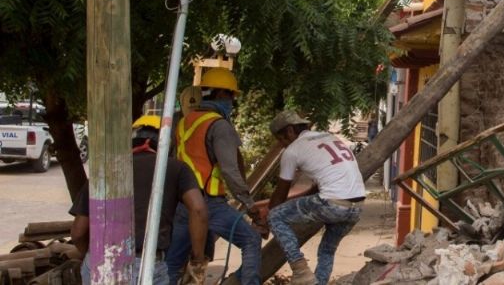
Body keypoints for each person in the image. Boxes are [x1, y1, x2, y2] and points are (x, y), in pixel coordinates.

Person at [69, 115, 208, 285]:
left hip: (99, 263)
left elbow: (77, 232)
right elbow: (199, 210)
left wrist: (92, 256)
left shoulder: (105, 171)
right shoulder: (175, 169)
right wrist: (197, 260)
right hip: (145, 264)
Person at [166, 69, 266, 285]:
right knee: (251, 241)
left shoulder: (185, 121)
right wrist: (250, 206)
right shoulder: (219, 126)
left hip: (184, 203)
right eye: (231, 96)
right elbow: (231, 171)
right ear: (221, 94)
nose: (233, 102)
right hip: (209, 202)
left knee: (173, 263)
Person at [266, 111, 366, 285]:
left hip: (332, 204)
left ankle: (300, 270)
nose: (281, 145)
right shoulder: (330, 138)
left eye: (281, 139)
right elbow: (318, 188)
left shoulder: (292, 150)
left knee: (274, 216)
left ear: (289, 131)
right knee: (327, 251)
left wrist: (264, 220)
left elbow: (279, 197)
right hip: (357, 206)